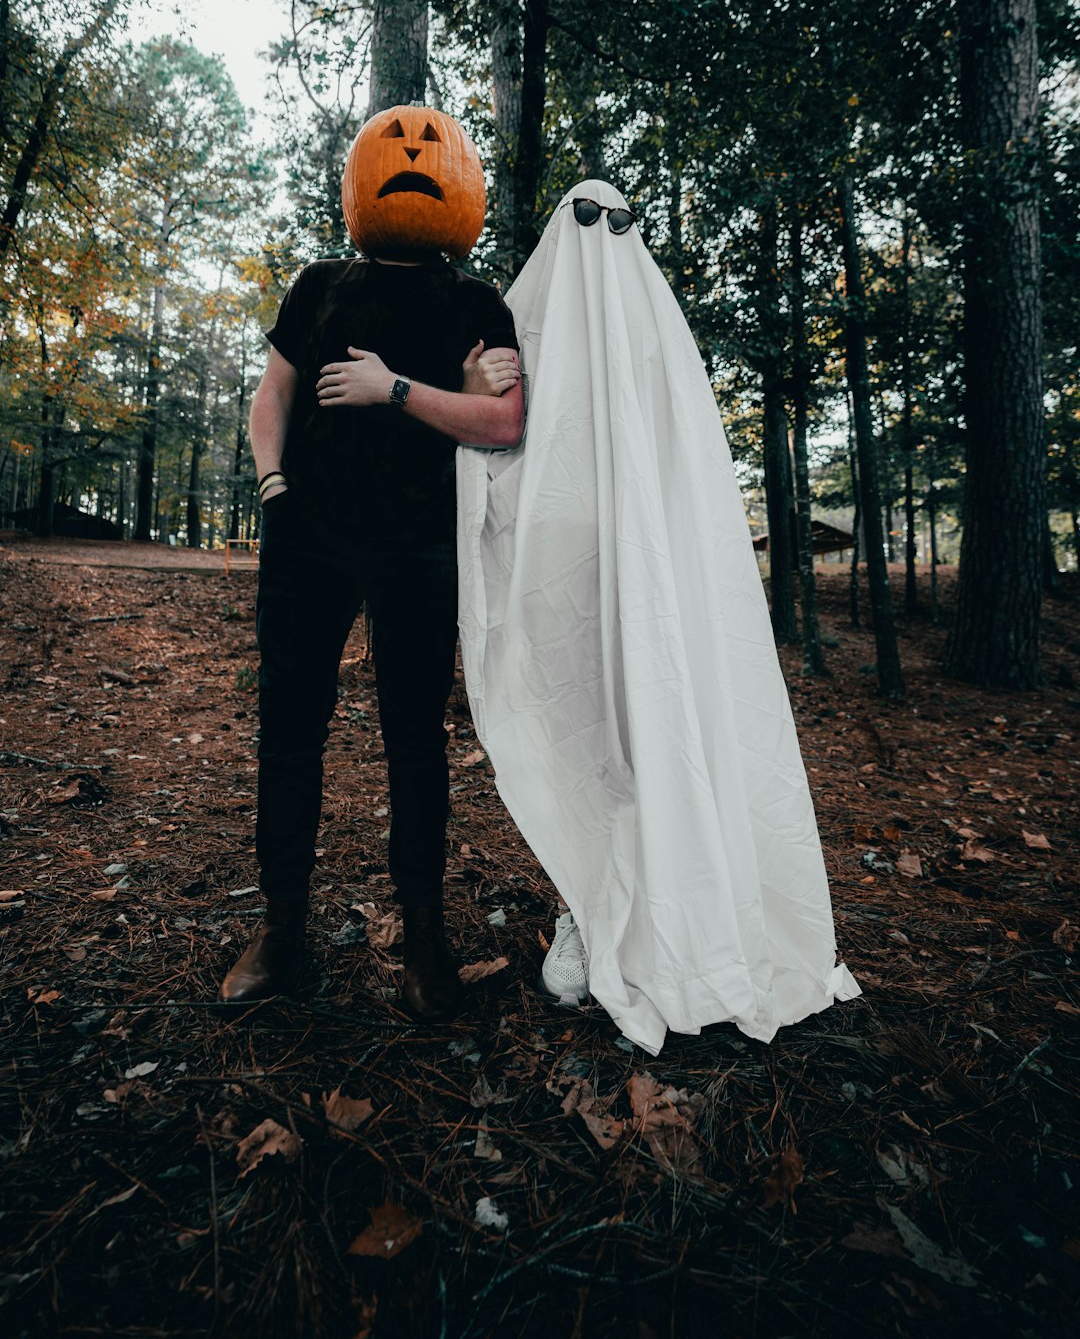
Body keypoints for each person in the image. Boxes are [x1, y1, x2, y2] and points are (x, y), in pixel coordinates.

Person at [457, 180, 861, 1055]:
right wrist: (470, 387)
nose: (602, 241)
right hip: (566, 599)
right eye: (584, 221)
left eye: (618, 222)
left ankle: (690, 911)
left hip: (647, 596)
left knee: (658, 741)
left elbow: (687, 494)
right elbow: (495, 450)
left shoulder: (656, 345)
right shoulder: (526, 331)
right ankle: (591, 905)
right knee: (585, 751)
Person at [219, 106, 524, 1021]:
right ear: (359, 180)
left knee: (414, 742)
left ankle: (424, 940)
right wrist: (273, 485)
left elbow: (506, 424)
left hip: (419, 545)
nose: (415, 158)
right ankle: (282, 929)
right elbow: (271, 394)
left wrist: (395, 388)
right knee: (289, 730)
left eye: (436, 150)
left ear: (465, 183)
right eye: (396, 146)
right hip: (307, 537)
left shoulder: (477, 304)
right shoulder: (318, 286)